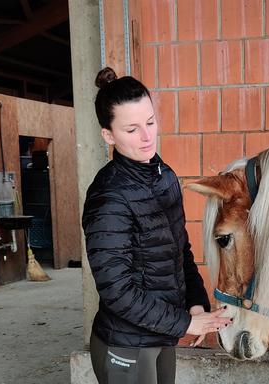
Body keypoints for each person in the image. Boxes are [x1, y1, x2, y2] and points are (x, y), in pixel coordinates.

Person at [82, 67, 231, 384]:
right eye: (132, 129)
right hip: (127, 343)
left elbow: (180, 250)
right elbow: (116, 291)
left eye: (150, 122)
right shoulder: (108, 197)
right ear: (108, 135)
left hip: (161, 333)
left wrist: (194, 303)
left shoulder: (164, 175)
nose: (148, 136)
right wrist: (183, 324)